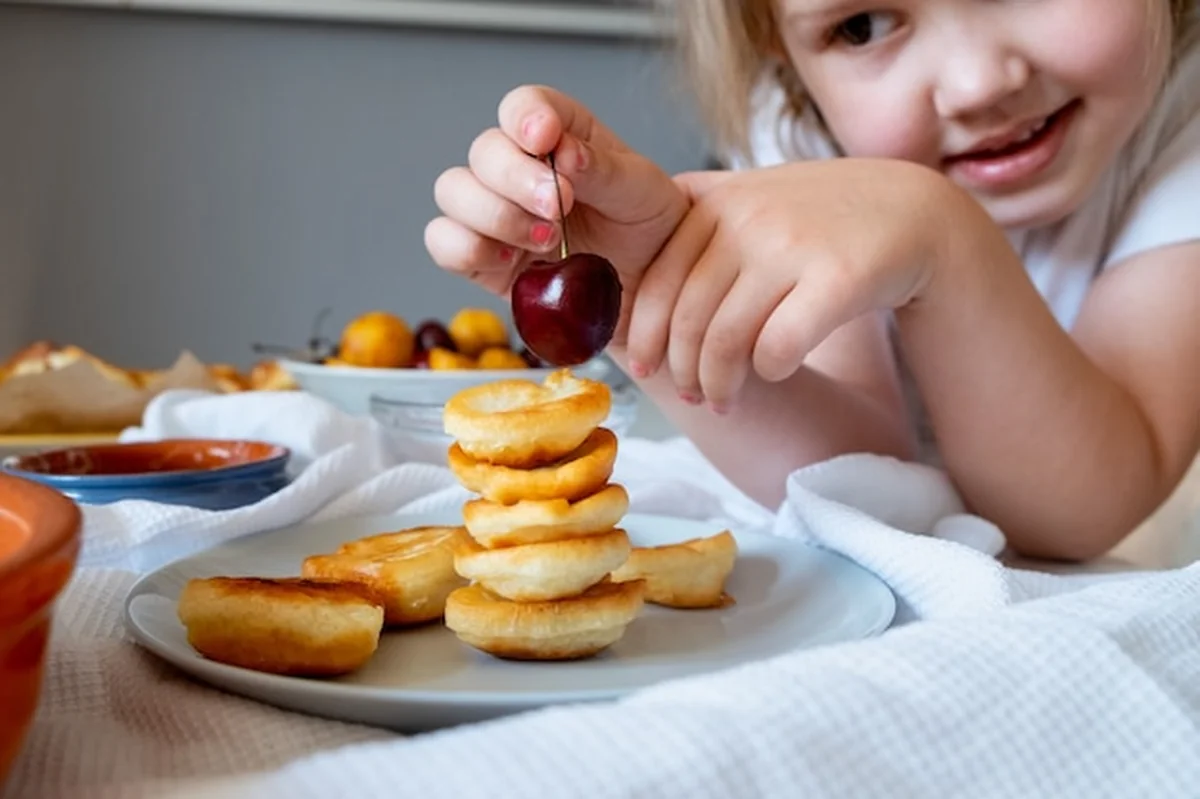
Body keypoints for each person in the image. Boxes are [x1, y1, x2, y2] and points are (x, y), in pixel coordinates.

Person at [425, 0, 1200, 562]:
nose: (976, 84)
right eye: (861, 26)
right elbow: (859, 477)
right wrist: (651, 294)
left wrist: (941, 239)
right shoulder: (805, 130)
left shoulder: (1184, 126)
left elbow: (1084, 512)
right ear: (783, 59)